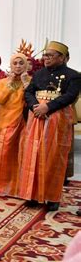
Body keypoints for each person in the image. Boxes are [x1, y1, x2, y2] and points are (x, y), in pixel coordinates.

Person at [18, 41, 81, 211]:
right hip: (36, 116)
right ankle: (31, 195)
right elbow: (28, 92)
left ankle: (52, 197)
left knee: (53, 157)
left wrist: (48, 107)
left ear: (62, 58)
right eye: (45, 55)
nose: (46, 58)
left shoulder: (73, 76)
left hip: (57, 118)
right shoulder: (38, 74)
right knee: (33, 155)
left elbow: (70, 96)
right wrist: (35, 107)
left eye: (50, 55)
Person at [0, 53, 30, 196]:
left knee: (21, 154)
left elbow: (32, 101)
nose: (18, 66)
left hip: (24, 122)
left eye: (21, 63)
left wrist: (26, 85)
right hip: (6, 121)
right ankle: (0, 187)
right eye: (15, 63)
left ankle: (18, 188)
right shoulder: (3, 82)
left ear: (26, 65)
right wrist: (10, 83)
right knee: (3, 153)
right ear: (11, 65)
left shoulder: (30, 81)